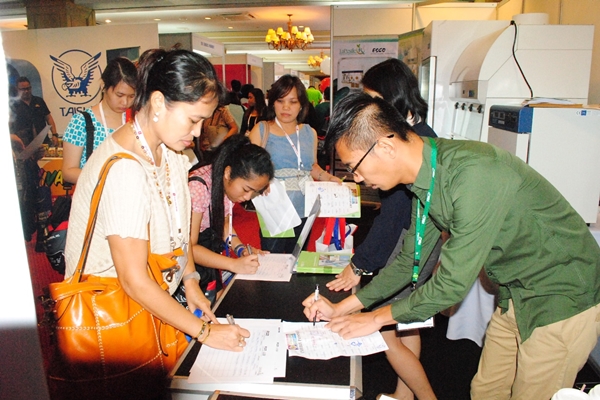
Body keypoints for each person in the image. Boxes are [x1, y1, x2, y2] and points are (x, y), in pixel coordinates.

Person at [304, 93, 600, 400]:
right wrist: (345, 307)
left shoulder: (473, 174)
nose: (358, 178)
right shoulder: (426, 177)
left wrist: (374, 318)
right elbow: (409, 262)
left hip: (562, 295)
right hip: (516, 293)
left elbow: (451, 286)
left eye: (355, 167)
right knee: (486, 390)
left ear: (386, 146)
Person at [64, 48, 249, 398]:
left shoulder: (172, 154)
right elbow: (133, 281)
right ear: (160, 103)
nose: (197, 133)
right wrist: (206, 333)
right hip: (117, 315)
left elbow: (180, 236)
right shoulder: (126, 169)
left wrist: (191, 280)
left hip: (154, 308)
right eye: (193, 119)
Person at [326, 58, 439, 400]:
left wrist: (360, 265)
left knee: (386, 330)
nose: (369, 107)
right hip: (421, 243)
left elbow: (392, 217)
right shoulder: (420, 133)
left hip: (412, 245)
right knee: (407, 325)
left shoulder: (404, 144)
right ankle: (403, 396)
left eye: (373, 98)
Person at [248, 74, 339, 254]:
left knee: (297, 257)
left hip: (305, 205)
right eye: (281, 101)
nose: (286, 107)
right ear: (272, 102)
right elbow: (248, 167)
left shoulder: (309, 132)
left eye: (293, 101)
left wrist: (330, 178)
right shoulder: (262, 129)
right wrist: (261, 182)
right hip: (275, 206)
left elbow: (312, 167)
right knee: (275, 259)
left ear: (302, 105)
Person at [186, 134, 273, 303]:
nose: (248, 197)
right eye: (246, 189)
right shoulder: (197, 187)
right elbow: (189, 248)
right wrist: (233, 264)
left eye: (254, 192)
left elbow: (224, 223)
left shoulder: (225, 184)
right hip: (190, 265)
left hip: (209, 252)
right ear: (228, 172)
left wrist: (240, 249)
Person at [62, 57, 137, 184]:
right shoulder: (82, 122)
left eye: (131, 96)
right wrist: (105, 180)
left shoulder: (134, 120)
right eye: (119, 95)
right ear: (103, 86)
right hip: (96, 198)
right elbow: (68, 171)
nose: (125, 102)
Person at [10, 76, 58, 147]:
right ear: (17, 89)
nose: (26, 91)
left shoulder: (39, 101)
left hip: (43, 141)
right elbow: (9, 125)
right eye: (23, 89)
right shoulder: (14, 105)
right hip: (24, 144)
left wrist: (54, 134)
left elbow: (49, 118)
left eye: (28, 88)